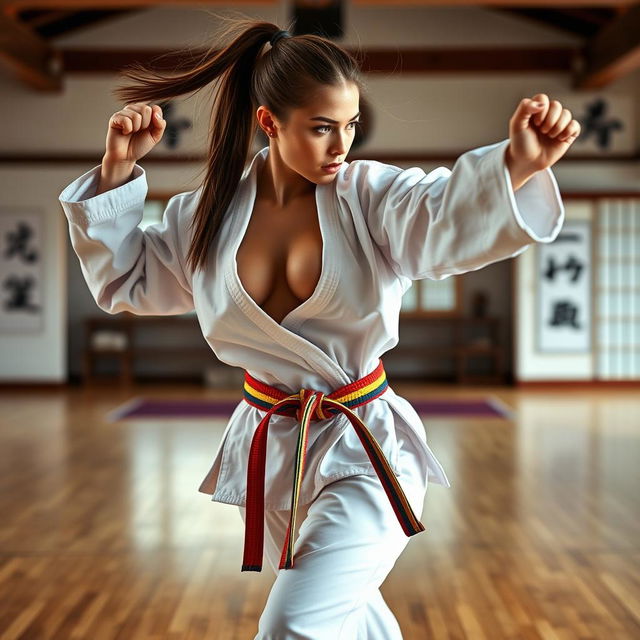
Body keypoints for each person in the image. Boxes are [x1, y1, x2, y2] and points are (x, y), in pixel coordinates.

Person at [58, 17, 580, 640]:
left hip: (366, 447)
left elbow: (438, 216)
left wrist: (515, 167)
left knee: (293, 625)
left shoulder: (369, 196)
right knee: (347, 619)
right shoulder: (206, 213)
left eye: (351, 125)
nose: (342, 146)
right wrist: (118, 170)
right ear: (269, 123)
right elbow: (130, 281)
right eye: (323, 127)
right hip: (279, 449)